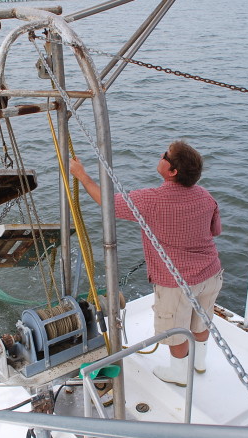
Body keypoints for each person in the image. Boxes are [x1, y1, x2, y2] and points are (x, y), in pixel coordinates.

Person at [69, 140, 223, 386]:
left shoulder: (152, 200)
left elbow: (106, 202)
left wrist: (82, 175)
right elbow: (215, 231)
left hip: (177, 282)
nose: (161, 156)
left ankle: (179, 374)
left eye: (165, 155)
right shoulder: (205, 196)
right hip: (211, 273)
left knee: (175, 331)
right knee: (202, 319)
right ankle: (199, 363)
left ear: (172, 172)